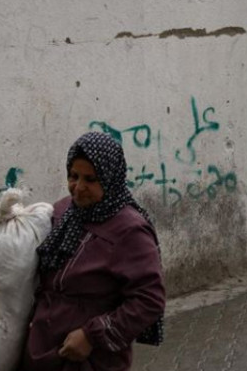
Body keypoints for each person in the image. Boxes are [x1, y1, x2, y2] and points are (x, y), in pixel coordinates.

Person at [22, 133, 165, 371]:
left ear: (110, 178)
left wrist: (91, 336)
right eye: (73, 176)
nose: (78, 188)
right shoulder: (64, 211)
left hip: (89, 360)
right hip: (42, 349)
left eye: (90, 179)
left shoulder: (130, 231)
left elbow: (149, 300)